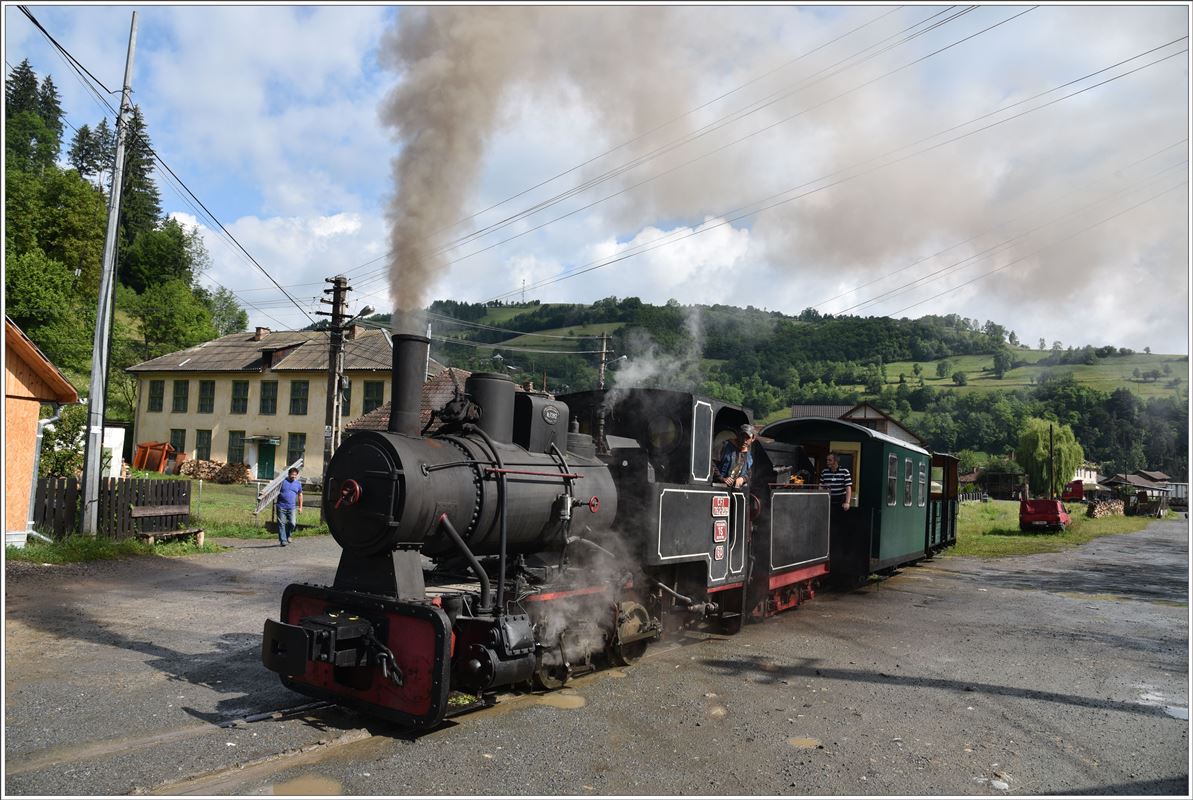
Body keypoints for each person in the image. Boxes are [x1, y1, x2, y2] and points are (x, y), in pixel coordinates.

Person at [713, 424, 755, 490]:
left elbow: (749, 472)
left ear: (753, 439)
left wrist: (743, 479)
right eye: (742, 436)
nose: (744, 440)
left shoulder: (748, 455)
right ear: (738, 436)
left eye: (747, 438)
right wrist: (721, 478)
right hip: (719, 488)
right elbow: (711, 463)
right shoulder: (724, 446)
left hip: (736, 490)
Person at [276, 467, 303, 546]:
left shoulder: (298, 484)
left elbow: (300, 495)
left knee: (292, 523)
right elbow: (274, 490)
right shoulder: (282, 482)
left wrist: (300, 507)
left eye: (295, 475)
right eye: (292, 474)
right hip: (281, 506)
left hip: (292, 507)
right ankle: (283, 540)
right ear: (288, 474)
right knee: (281, 524)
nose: (294, 476)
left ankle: (288, 534)